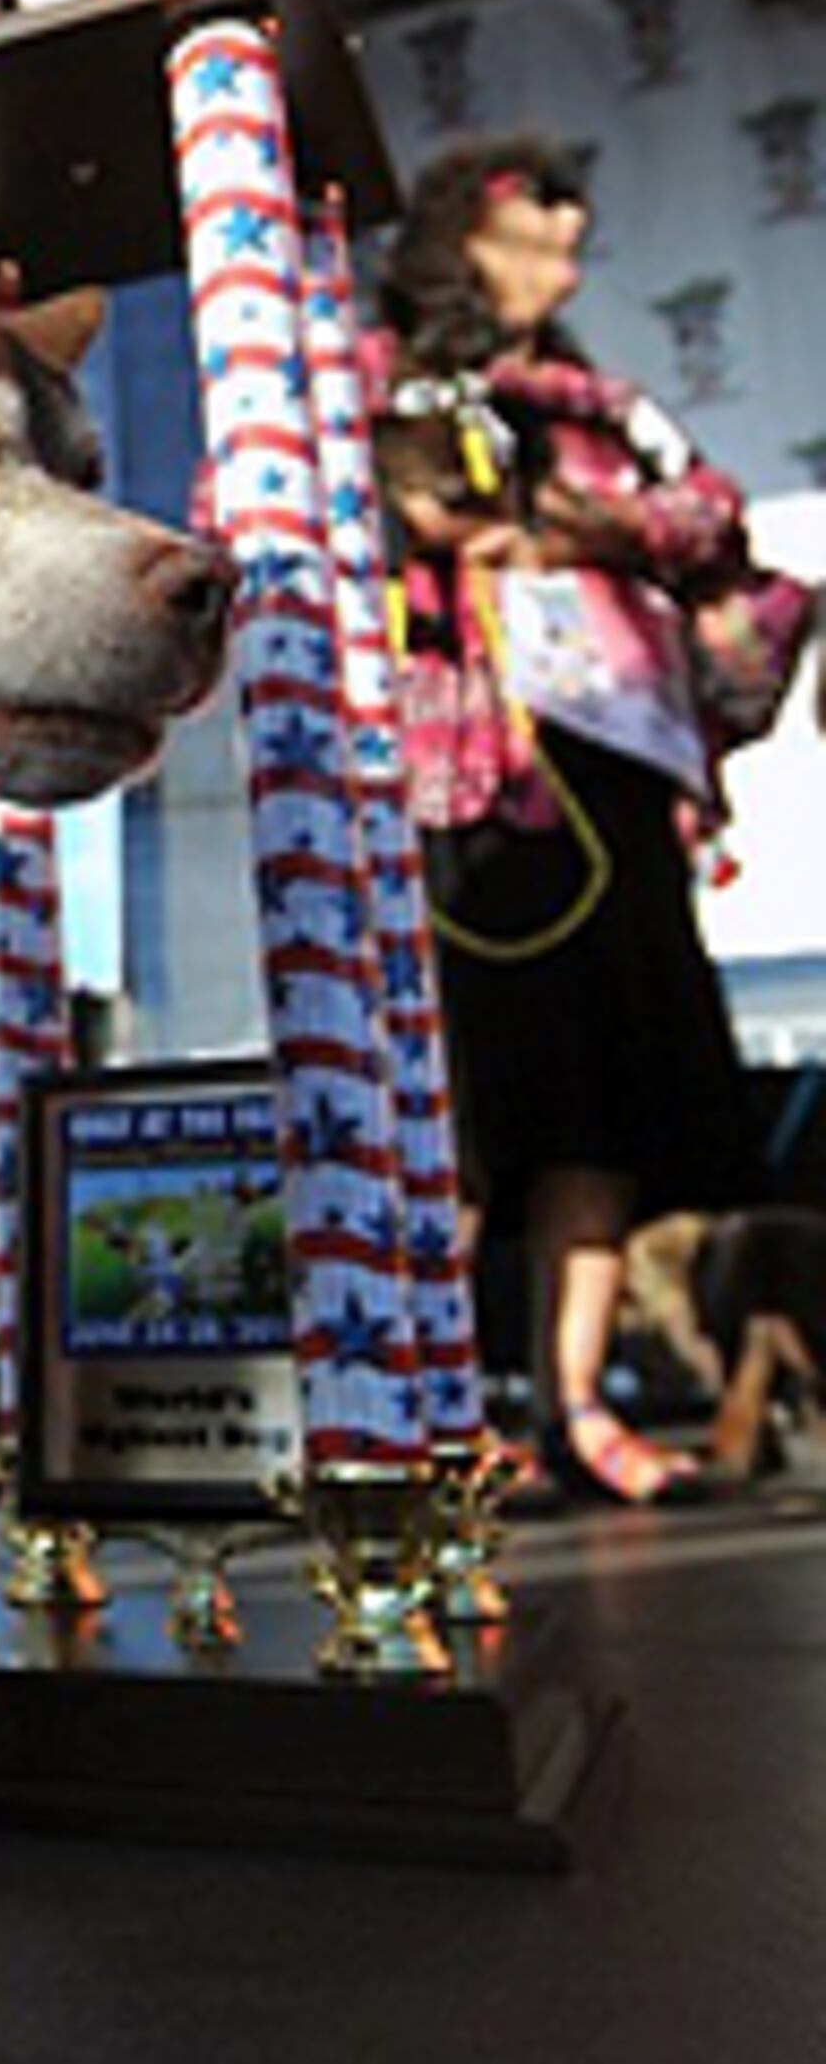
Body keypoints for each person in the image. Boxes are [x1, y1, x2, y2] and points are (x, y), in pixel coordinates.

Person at [371, 135, 765, 1507]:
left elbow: (710, 515)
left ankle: (579, 1399)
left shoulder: (599, 403)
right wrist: (419, 515)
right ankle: (426, 1412)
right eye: (523, 242)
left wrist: (565, 522)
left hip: (604, 771)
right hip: (456, 776)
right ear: (452, 241)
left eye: (567, 248)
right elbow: (283, 507)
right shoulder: (366, 374)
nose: (552, 271)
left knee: (597, 1103)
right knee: (461, 1104)